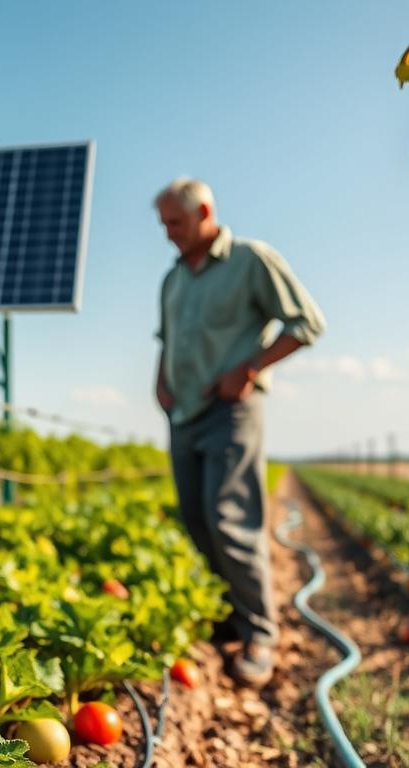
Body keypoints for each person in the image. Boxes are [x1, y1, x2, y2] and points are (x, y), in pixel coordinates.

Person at [152, 177, 325, 688]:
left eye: (175, 222)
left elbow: (306, 323)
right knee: (196, 517)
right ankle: (228, 616)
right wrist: (159, 382)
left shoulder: (251, 260)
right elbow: (166, 339)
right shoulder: (173, 278)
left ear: (204, 212)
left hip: (231, 411)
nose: (168, 233)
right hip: (183, 414)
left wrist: (248, 368)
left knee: (229, 518)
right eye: (164, 224)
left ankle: (260, 632)